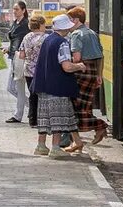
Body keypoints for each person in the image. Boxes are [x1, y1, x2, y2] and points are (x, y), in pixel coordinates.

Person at [30, 14, 86, 158]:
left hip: (43, 86)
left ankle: (41, 146)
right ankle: (55, 147)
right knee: (58, 118)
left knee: (45, 117)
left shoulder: (47, 39)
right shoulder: (62, 43)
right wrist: (79, 66)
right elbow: (66, 67)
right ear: (65, 28)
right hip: (57, 86)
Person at [67, 6, 108, 146]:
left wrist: (64, 62)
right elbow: (101, 56)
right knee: (85, 106)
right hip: (92, 71)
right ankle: (77, 140)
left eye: (69, 20)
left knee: (76, 107)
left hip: (81, 71)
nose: (68, 23)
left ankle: (100, 126)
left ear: (76, 20)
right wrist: (99, 75)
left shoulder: (76, 35)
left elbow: (77, 57)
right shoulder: (92, 33)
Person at [17, 13, 48, 127]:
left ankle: (32, 119)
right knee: (42, 95)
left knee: (32, 94)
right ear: (40, 25)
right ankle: (42, 118)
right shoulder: (46, 38)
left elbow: (21, 55)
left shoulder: (27, 37)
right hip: (41, 70)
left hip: (28, 70)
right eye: (44, 24)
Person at [4, 0, 30, 123]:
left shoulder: (26, 24)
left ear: (23, 10)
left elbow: (24, 42)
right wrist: (8, 49)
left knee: (17, 87)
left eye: (17, 9)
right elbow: (14, 40)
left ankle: (19, 114)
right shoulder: (15, 23)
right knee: (12, 88)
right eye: (13, 9)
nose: (14, 11)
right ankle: (32, 107)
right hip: (14, 57)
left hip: (21, 58)